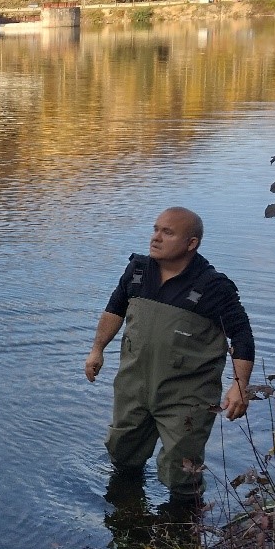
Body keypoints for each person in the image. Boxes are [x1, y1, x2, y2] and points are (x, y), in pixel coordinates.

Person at [84, 207, 254, 501]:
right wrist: (97, 350)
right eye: (155, 229)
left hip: (186, 395)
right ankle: (123, 515)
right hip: (134, 385)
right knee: (122, 452)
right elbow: (115, 309)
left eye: (167, 232)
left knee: (182, 471)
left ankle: (182, 530)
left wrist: (240, 385)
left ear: (191, 243)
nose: (156, 238)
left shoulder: (214, 287)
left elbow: (242, 336)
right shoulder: (138, 271)